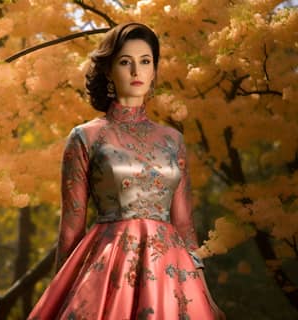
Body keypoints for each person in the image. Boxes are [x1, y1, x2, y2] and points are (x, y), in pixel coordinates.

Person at [28, 22, 225, 320]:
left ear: (155, 70)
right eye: (125, 62)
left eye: (145, 62)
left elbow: (184, 224)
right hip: (108, 271)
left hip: (172, 273)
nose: (137, 72)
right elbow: (71, 227)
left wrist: (204, 290)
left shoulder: (173, 140)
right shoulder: (85, 137)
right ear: (109, 71)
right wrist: (63, 289)